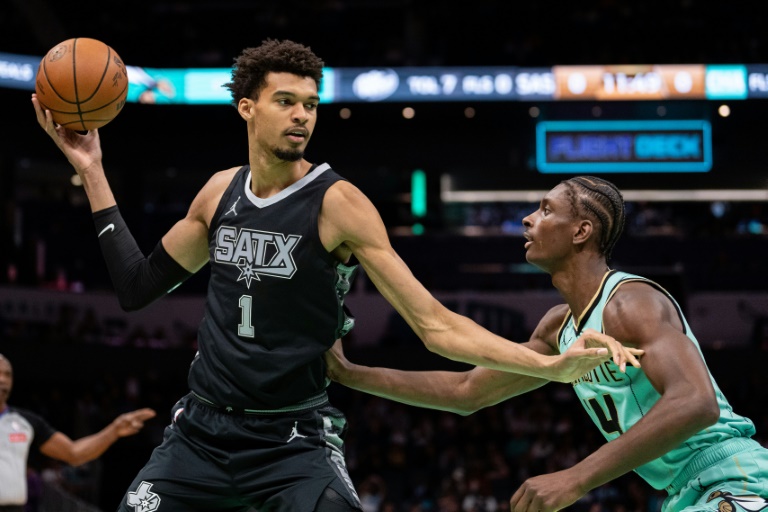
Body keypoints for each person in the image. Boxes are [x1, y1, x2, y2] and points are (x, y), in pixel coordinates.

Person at [32, 39, 640, 511]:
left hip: (292, 439)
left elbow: (436, 327)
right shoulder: (219, 193)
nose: (302, 116)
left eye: (311, 105)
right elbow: (138, 288)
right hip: (200, 431)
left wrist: (548, 367)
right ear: (247, 107)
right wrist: (90, 168)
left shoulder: (338, 203)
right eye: (286, 102)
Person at [326, 176, 768, 512]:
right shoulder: (559, 328)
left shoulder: (629, 303)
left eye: (544, 210)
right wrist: (350, 374)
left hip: (732, 475)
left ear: (580, 232)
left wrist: (575, 478)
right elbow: (466, 393)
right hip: (684, 491)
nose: (528, 219)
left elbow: (697, 402)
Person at [0, 353, 155, 512]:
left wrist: (114, 430)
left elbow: (74, 453)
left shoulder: (25, 422)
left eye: (7, 374)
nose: (3, 380)